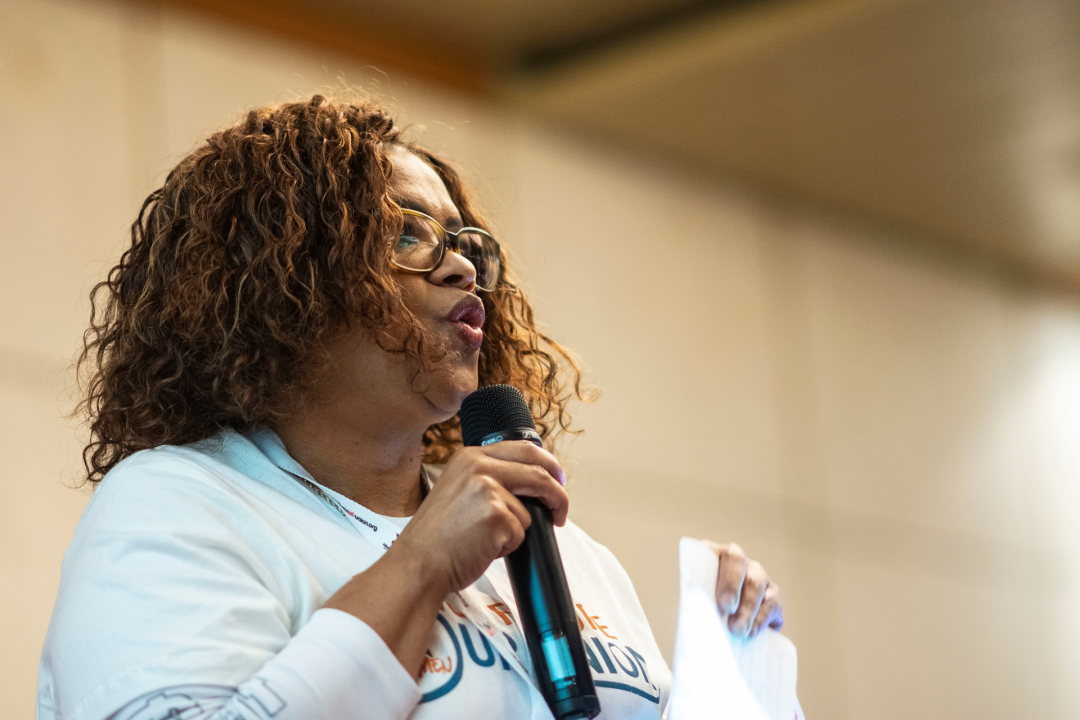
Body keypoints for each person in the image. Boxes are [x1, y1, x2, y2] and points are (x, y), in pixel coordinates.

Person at [38, 95, 788, 720]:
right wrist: (422, 563)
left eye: (466, 244)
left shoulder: (566, 554)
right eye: (406, 233)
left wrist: (729, 668)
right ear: (285, 279)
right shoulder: (179, 504)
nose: (463, 266)